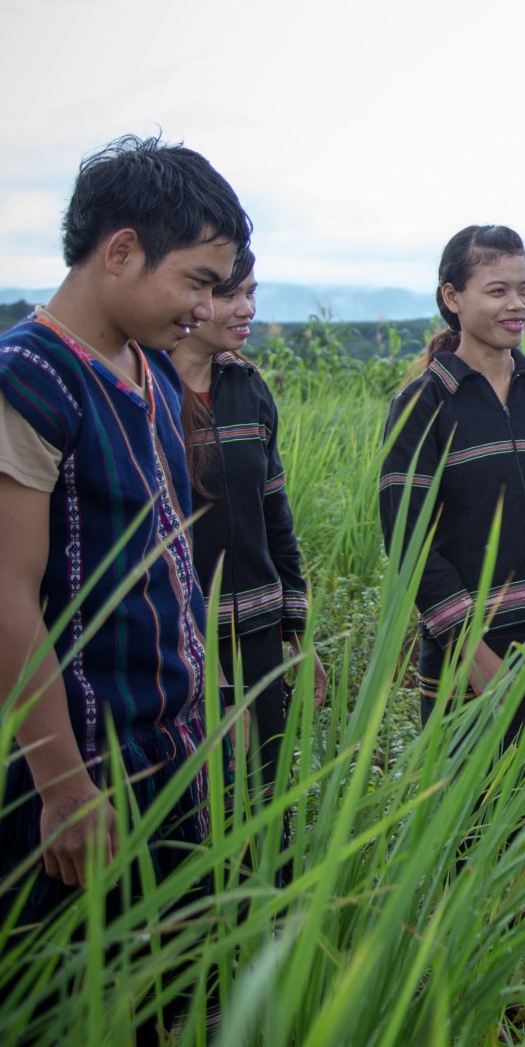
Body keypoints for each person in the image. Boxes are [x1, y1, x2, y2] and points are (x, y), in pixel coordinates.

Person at [0, 137, 249, 992]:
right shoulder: (16, 387)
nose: (202, 307)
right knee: (56, 1006)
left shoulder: (146, 373)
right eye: (195, 280)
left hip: (162, 756)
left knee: (161, 1002)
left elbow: (168, 575)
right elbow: (4, 603)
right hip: (61, 781)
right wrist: (65, 789)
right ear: (121, 251)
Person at [377, 226, 525, 801]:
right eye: (497, 290)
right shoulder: (421, 405)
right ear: (452, 298)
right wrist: (471, 648)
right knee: (476, 824)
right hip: (477, 653)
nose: (517, 305)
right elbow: (409, 540)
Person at [169, 249, 324, 809]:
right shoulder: (142, 387)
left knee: (263, 796)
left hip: (255, 635)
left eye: (251, 293)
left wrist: (297, 631)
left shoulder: (248, 387)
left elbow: (274, 515)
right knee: (193, 801)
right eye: (232, 295)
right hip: (172, 639)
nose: (247, 309)